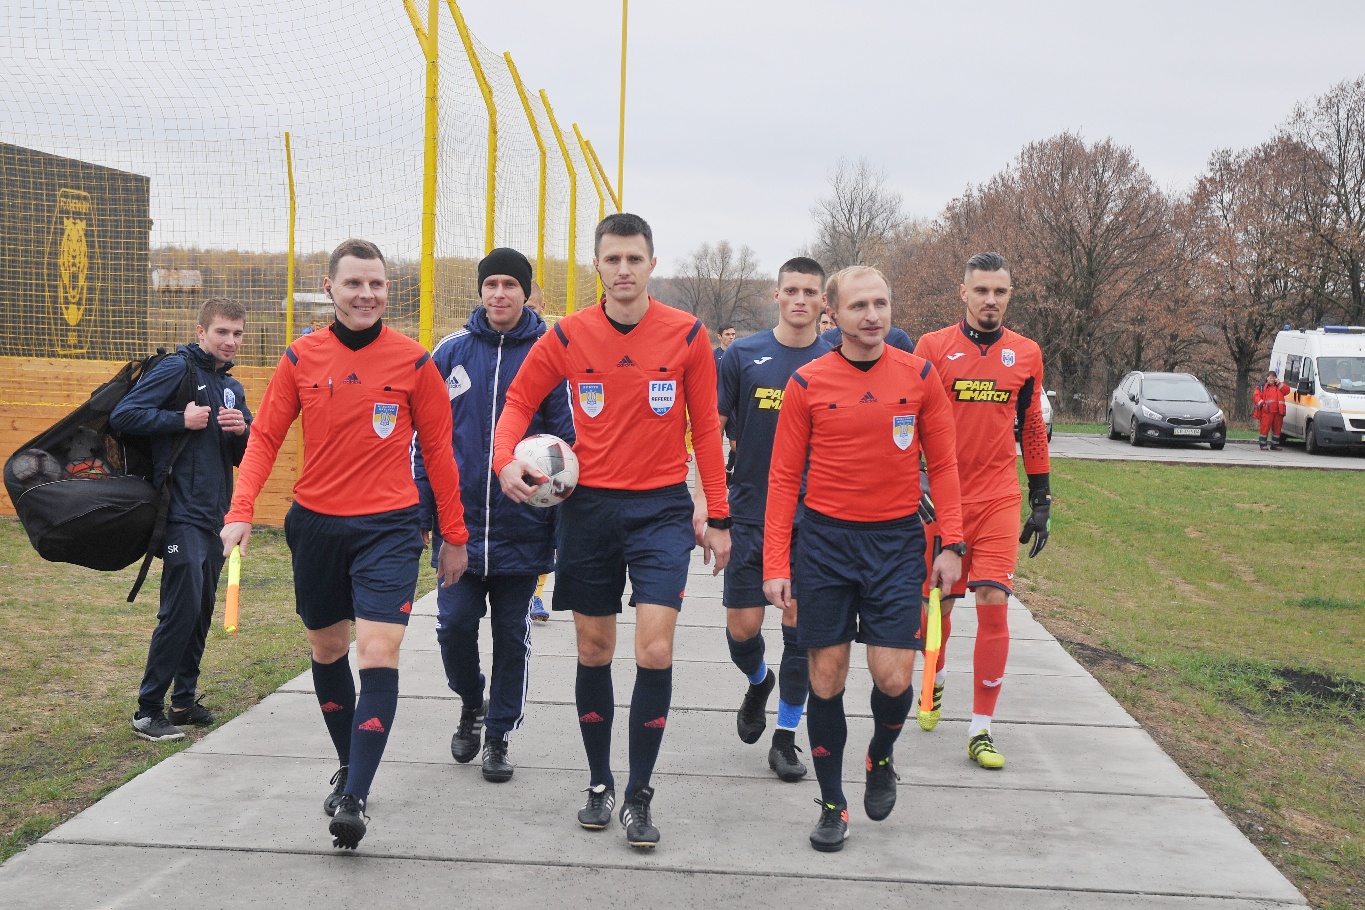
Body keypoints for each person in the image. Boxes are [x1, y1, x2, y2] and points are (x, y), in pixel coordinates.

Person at [221, 239, 469, 851]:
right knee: (328, 649)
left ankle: (355, 795)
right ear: (329, 288)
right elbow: (265, 438)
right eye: (354, 284)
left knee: (378, 651)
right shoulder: (300, 356)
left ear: (388, 290)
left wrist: (454, 535)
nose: (366, 295)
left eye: (376, 284)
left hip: (390, 528)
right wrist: (241, 511)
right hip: (317, 527)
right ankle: (348, 763)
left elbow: (441, 454)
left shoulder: (415, 362)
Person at [493, 213, 730, 849]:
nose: (624, 269)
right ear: (596, 265)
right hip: (588, 510)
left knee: (654, 650)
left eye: (634, 258)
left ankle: (639, 795)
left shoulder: (687, 334)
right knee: (594, 649)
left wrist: (717, 513)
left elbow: (707, 429)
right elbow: (518, 403)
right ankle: (599, 781)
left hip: (661, 511)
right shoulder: (568, 335)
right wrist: (505, 460)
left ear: (652, 263)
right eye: (612, 259)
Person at [763, 265, 964, 853]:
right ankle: (832, 804)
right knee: (826, 678)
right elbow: (783, 478)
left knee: (894, 678)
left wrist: (952, 543)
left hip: (896, 544)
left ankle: (880, 756)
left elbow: (943, 465)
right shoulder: (807, 382)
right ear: (833, 312)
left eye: (881, 303)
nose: (872, 316)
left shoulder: (919, 375)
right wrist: (777, 562)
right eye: (859, 306)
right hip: (825, 545)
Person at [413, 249, 574, 784]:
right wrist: (424, 512)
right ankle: (470, 703)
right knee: (454, 626)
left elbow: (567, 442)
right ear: (480, 290)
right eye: (491, 284)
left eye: (510, 284)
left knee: (511, 633)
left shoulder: (549, 354)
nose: (499, 293)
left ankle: (499, 735)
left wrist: (556, 514)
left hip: (522, 527)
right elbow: (423, 438)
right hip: (458, 528)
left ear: (527, 292)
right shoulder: (451, 353)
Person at [693, 256, 831, 783]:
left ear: (823, 301)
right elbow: (710, 431)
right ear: (776, 295)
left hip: (811, 518)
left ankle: (786, 738)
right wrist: (708, 503)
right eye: (791, 290)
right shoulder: (742, 355)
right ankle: (758, 681)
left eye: (810, 292)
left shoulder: (835, 358)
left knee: (799, 631)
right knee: (742, 629)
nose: (800, 299)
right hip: (749, 513)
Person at [912, 252, 1051, 771]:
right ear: (964, 293)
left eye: (1000, 292)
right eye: (982, 291)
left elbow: (1031, 426)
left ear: (1009, 295)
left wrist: (1042, 498)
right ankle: (936, 677)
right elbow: (908, 418)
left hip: (998, 497)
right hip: (942, 499)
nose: (991, 300)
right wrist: (913, 482)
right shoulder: (932, 348)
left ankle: (981, 728)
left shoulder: (1027, 353)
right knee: (939, 608)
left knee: (994, 601)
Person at [112, 297, 252, 742]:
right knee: (181, 608)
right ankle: (147, 710)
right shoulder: (177, 369)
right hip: (179, 513)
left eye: (237, 333)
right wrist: (180, 418)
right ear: (201, 332)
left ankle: (183, 701)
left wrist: (242, 432)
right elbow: (124, 415)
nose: (230, 341)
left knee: (202, 608)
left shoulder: (232, 387)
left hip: (215, 517)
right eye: (222, 332)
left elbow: (241, 456)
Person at [521, 280, 553, 622]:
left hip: (544, 458)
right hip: (506, 455)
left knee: (541, 531)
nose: (524, 314)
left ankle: (536, 595)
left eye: (530, 308)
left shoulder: (553, 347)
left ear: (542, 308)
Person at [1253, 369, 1291, 450]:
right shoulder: (1262, 386)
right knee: (1265, 428)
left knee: (1277, 429)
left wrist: (1279, 384)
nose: (1272, 379)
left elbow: (1287, 391)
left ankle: (1275, 445)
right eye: (1271, 377)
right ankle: (1263, 444)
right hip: (1267, 411)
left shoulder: (1279, 386)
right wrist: (1261, 403)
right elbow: (1256, 396)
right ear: (1267, 378)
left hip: (1278, 412)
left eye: (1274, 378)